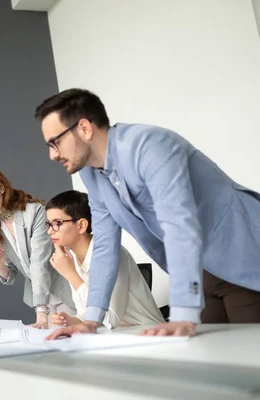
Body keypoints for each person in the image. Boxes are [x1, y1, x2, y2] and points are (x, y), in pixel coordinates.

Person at [35, 88, 260, 338]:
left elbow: (179, 224)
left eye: (55, 142)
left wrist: (183, 314)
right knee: (216, 362)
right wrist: (91, 319)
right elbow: (105, 244)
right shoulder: (90, 172)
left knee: (250, 357)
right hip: (200, 272)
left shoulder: (150, 146)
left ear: (85, 128)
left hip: (242, 254)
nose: (52, 155)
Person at [0, 164, 75, 327]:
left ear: (0, 187)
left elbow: (38, 263)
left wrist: (41, 313)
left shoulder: (35, 212)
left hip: (65, 294)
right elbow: (11, 275)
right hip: (41, 300)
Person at [45, 190, 164, 329]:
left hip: (148, 333)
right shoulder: (73, 259)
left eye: (57, 223)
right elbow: (87, 313)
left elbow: (109, 318)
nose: (50, 231)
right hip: (117, 335)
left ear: (81, 225)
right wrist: (71, 320)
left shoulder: (111, 254)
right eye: (48, 224)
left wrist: (71, 275)